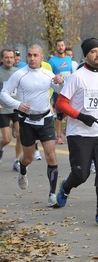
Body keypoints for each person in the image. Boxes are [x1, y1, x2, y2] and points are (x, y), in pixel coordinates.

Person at [55, 37, 98, 228]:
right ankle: (66, 187)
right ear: (85, 55)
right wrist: (80, 116)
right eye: (93, 52)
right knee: (81, 175)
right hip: (79, 134)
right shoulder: (77, 76)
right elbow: (60, 103)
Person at [0, 44, 64, 207]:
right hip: (27, 121)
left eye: (36, 55)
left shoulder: (48, 73)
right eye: (29, 55)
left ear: (42, 58)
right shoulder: (19, 75)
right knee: (28, 157)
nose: (32, 58)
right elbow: (4, 93)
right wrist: (17, 104)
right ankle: (22, 170)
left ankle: (52, 194)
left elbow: (61, 89)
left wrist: (61, 81)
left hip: (45, 119)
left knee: (50, 155)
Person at [0, 49, 22, 172]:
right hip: (2, 109)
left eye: (11, 57)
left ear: (14, 59)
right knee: (7, 139)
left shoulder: (18, 72)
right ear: (2, 59)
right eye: (6, 57)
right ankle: (0, 148)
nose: (9, 60)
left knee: (20, 135)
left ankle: (17, 161)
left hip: (16, 107)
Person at [48, 39, 73, 145]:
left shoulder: (69, 59)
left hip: (69, 89)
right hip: (58, 91)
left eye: (62, 45)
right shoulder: (52, 61)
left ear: (65, 46)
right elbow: (50, 76)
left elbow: (71, 72)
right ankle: (58, 136)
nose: (61, 47)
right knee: (59, 114)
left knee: (69, 112)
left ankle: (67, 131)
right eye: (59, 46)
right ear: (56, 47)